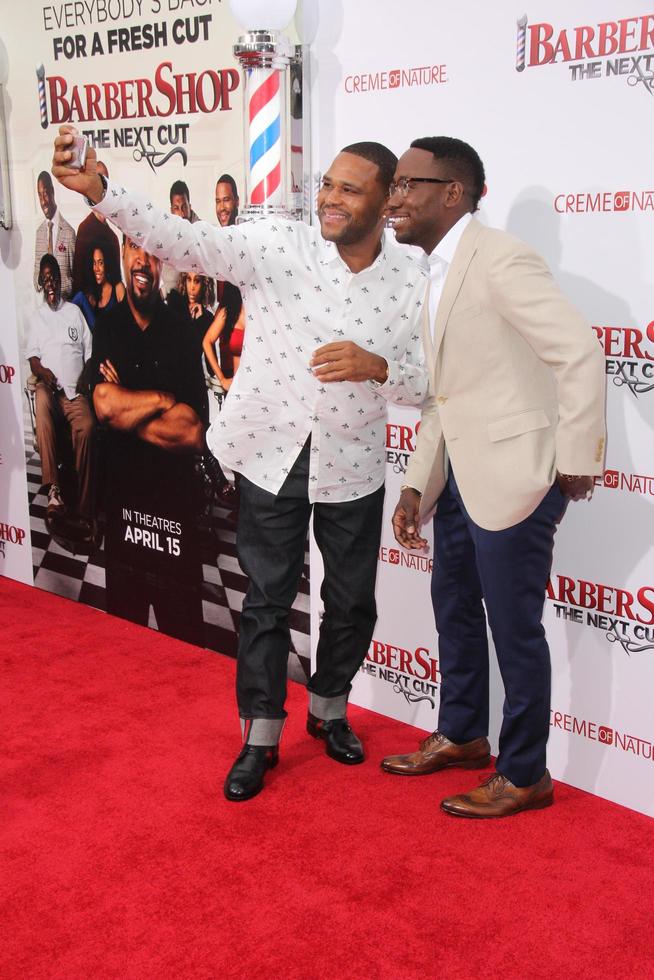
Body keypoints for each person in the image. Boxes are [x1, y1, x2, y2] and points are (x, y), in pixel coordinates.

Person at [52, 128, 429, 803]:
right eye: (327, 185)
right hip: (269, 454)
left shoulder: (411, 278)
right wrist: (105, 195)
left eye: (349, 189)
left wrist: (380, 368)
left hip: (353, 465)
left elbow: (429, 382)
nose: (330, 199)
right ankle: (259, 736)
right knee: (264, 601)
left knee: (351, 604)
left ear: (385, 200)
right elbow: (182, 239)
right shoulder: (279, 247)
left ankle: (329, 708)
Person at [380, 137, 606, 818]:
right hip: (459, 482)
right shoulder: (435, 273)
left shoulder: (500, 258)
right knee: (453, 612)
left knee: (515, 630)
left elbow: (580, 352)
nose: (394, 199)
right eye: (391, 185)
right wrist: (419, 485)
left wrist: (576, 457)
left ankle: (526, 773)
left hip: (516, 481)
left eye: (406, 184)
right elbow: (446, 396)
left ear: (453, 191)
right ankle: (462, 734)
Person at [88, 234, 209, 645]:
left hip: (176, 522)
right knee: (125, 656)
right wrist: (161, 398)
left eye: (152, 252)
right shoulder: (107, 325)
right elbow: (104, 404)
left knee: (187, 657)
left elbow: (192, 431)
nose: (142, 261)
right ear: (123, 254)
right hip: (124, 523)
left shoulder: (181, 329)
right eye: (134, 249)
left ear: (163, 261)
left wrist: (129, 411)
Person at [26, 254, 94, 521]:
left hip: (74, 394)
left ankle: (86, 506)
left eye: (53, 277)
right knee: (41, 397)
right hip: (51, 394)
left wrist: (85, 380)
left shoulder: (74, 313)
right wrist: (44, 372)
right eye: (45, 280)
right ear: (42, 285)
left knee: (87, 426)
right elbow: (32, 358)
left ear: (60, 279)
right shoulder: (38, 318)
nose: (50, 284)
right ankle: (54, 489)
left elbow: (90, 354)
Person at [71, 160, 121, 296]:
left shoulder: (113, 237)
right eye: (99, 180)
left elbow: (118, 285)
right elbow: (78, 284)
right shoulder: (84, 230)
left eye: (106, 182)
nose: (103, 187)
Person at [33, 171, 76, 300]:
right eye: (40, 195)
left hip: (66, 305)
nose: (43, 202)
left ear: (52, 192)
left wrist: (60, 288)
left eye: (45, 193)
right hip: (47, 308)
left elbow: (76, 277)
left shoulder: (69, 233)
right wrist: (42, 280)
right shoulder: (39, 233)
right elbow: (36, 277)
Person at [161, 180, 201, 297]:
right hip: (172, 299)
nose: (182, 213)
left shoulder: (201, 232)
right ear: (171, 210)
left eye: (184, 207)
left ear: (190, 206)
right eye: (177, 208)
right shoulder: (165, 234)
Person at [72, 241, 125, 330]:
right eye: (94, 263)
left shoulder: (118, 288)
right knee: (80, 297)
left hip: (112, 337)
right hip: (96, 337)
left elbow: (127, 320)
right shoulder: (92, 292)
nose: (96, 268)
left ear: (107, 264)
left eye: (100, 263)